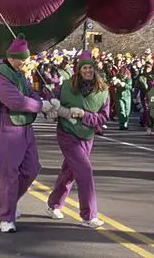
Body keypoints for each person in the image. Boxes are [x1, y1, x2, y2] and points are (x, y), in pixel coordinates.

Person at [0, 37, 47, 234]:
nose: (26, 63)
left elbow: (31, 93)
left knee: (32, 169)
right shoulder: (1, 77)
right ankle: (6, 218)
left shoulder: (20, 75)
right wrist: (39, 106)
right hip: (7, 128)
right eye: (23, 59)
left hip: (25, 127)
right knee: (9, 174)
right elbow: (16, 102)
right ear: (13, 58)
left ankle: (8, 198)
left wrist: (41, 102)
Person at [45, 50, 109, 228]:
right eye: (84, 68)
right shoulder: (66, 85)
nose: (87, 71)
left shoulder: (103, 91)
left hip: (87, 136)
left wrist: (84, 115)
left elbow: (103, 117)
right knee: (85, 172)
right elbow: (51, 98)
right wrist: (53, 104)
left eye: (90, 67)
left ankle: (53, 204)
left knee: (70, 171)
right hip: (67, 134)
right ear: (78, 70)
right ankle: (89, 216)